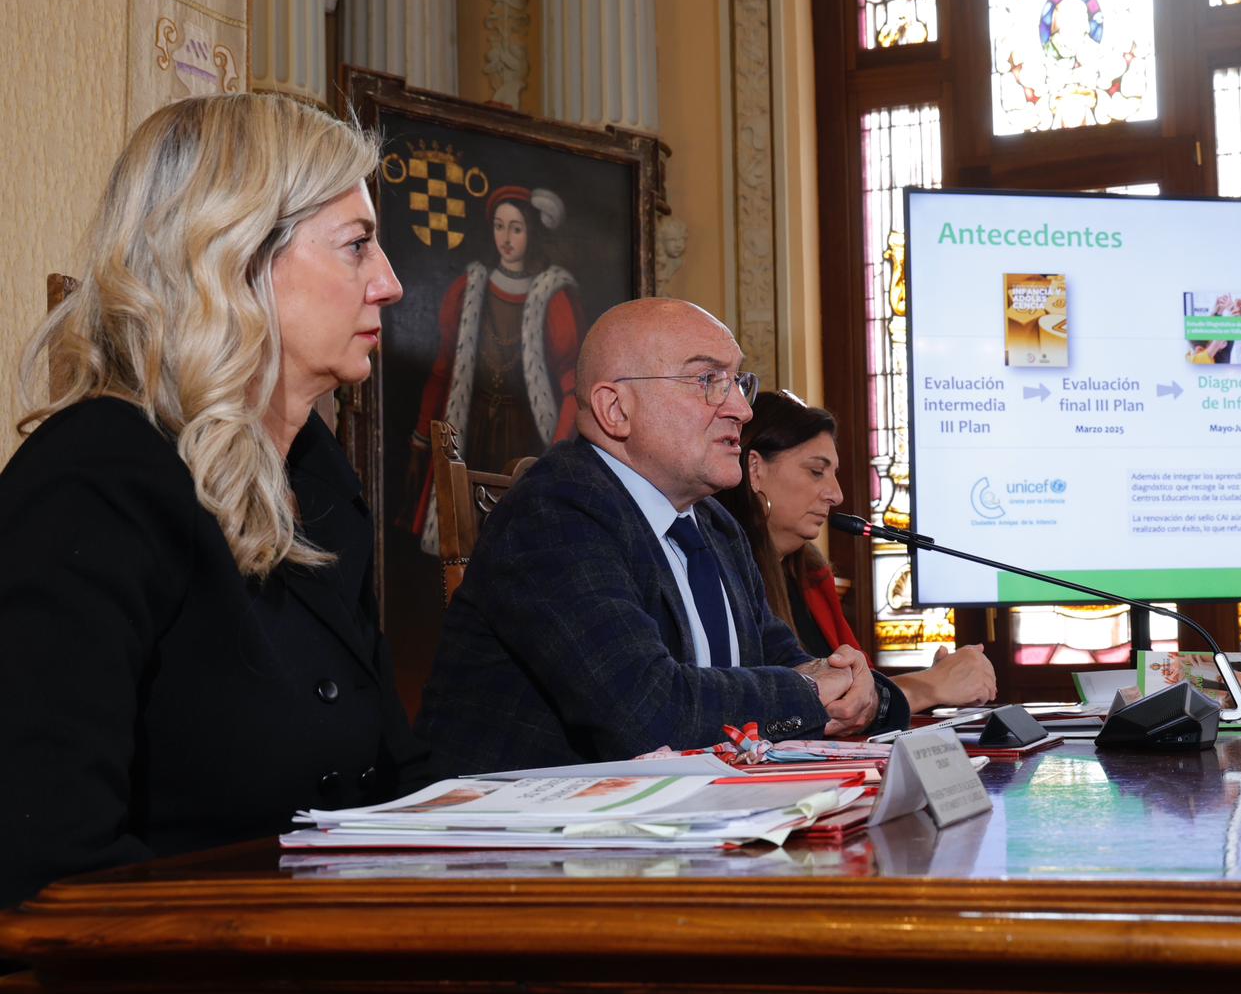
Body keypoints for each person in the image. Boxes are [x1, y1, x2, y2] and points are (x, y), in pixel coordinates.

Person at [0, 93, 432, 909]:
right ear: (232, 258)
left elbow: (393, 781)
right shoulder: (93, 483)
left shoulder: (319, 481)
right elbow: (46, 866)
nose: (390, 283)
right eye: (357, 246)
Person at [416, 298, 910, 772]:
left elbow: (789, 663)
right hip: (524, 823)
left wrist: (864, 691)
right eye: (708, 380)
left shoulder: (714, 525)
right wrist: (809, 693)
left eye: (738, 382)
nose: (742, 409)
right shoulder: (555, 511)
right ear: (615, 409)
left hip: (683, 813)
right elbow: (650, 714)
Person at [714, 391, 996, 711]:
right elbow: (786, 706)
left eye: (833, 475)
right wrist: (928, 687)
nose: (836, 495)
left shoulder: (811, 576)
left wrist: (932, 684)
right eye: (816, 471)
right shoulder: (720, 577)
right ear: (755, 470)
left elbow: (858, 694)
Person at [404, 185, 582, 553]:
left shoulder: (553, 296)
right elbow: (442, 370)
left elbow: (573, 387)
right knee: (467, 543)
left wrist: (556, 455)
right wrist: (422, 435)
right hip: (474, 432)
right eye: (500, 227)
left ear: (532, 232)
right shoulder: (468, 290)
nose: (506, 238)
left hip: (526, 438)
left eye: (516, 228)